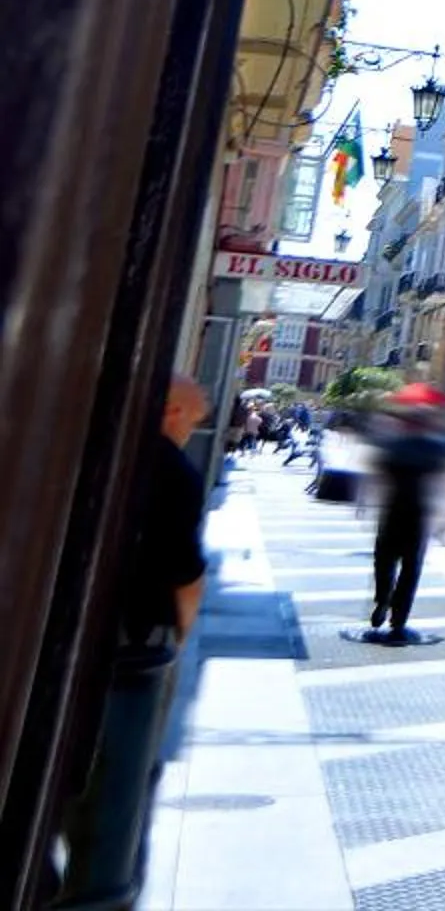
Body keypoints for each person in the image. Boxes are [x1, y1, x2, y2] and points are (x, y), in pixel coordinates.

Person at [52, 375, 209, 910]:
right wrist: (183, 631)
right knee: (117, 788)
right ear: (170, 411)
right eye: (193, 418)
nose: (195, 429)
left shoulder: (85, 442)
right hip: (135, 646)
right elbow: (185, 573)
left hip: (66, 640)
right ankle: (97, 894)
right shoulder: (173, 472)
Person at [369, 404, 445, 639]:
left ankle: (383, 598)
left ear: (405, 424)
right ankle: (399, 616)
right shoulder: (436, 447)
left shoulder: (392, 445)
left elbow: (379, 476)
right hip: (419, 510)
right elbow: (443, 480)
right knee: (411, 566)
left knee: (384, 560)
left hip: (393, 508)